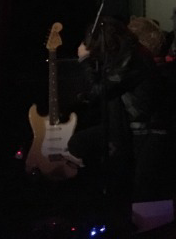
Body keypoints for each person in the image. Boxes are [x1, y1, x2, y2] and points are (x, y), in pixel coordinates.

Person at [68, 15, 163, 237]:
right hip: (124, 126)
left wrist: (85, 61)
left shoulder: (132, 59)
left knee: (138, 189)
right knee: (79, 144)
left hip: (142, 128)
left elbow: (101, 91)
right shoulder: (129, 54)